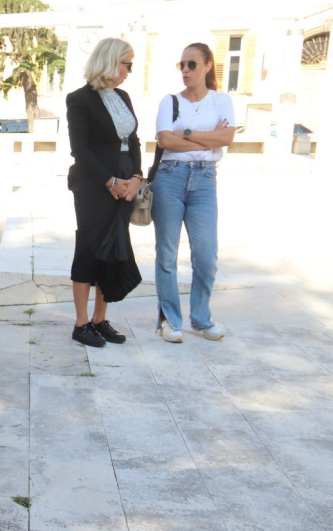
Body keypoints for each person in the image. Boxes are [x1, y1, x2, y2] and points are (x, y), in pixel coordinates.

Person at [151, 42, 235, 343]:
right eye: (182, 65)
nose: (185, 70)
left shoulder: (221, 100)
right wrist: (208, 142)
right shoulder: (170, 101)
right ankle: (170, 321)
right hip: (170, 179)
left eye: (192, 64)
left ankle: (200, 319)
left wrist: (186, 134)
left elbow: (227, 138)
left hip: (204, 181)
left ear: (208, 66)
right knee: (167, 254)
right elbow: (164, 140)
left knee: (206, 255)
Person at [65, 37, 143, 348]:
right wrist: (109, 182)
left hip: (126, 183)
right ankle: (81, 323)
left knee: (114, 247)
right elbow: (79, 150)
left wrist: (136, 177)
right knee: (90, 246)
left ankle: (100, 319)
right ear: (111, 62)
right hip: (94, 185)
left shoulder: (123, 96)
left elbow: (134, 140)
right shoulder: (79, 99)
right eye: (127, 64)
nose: (129, 71)